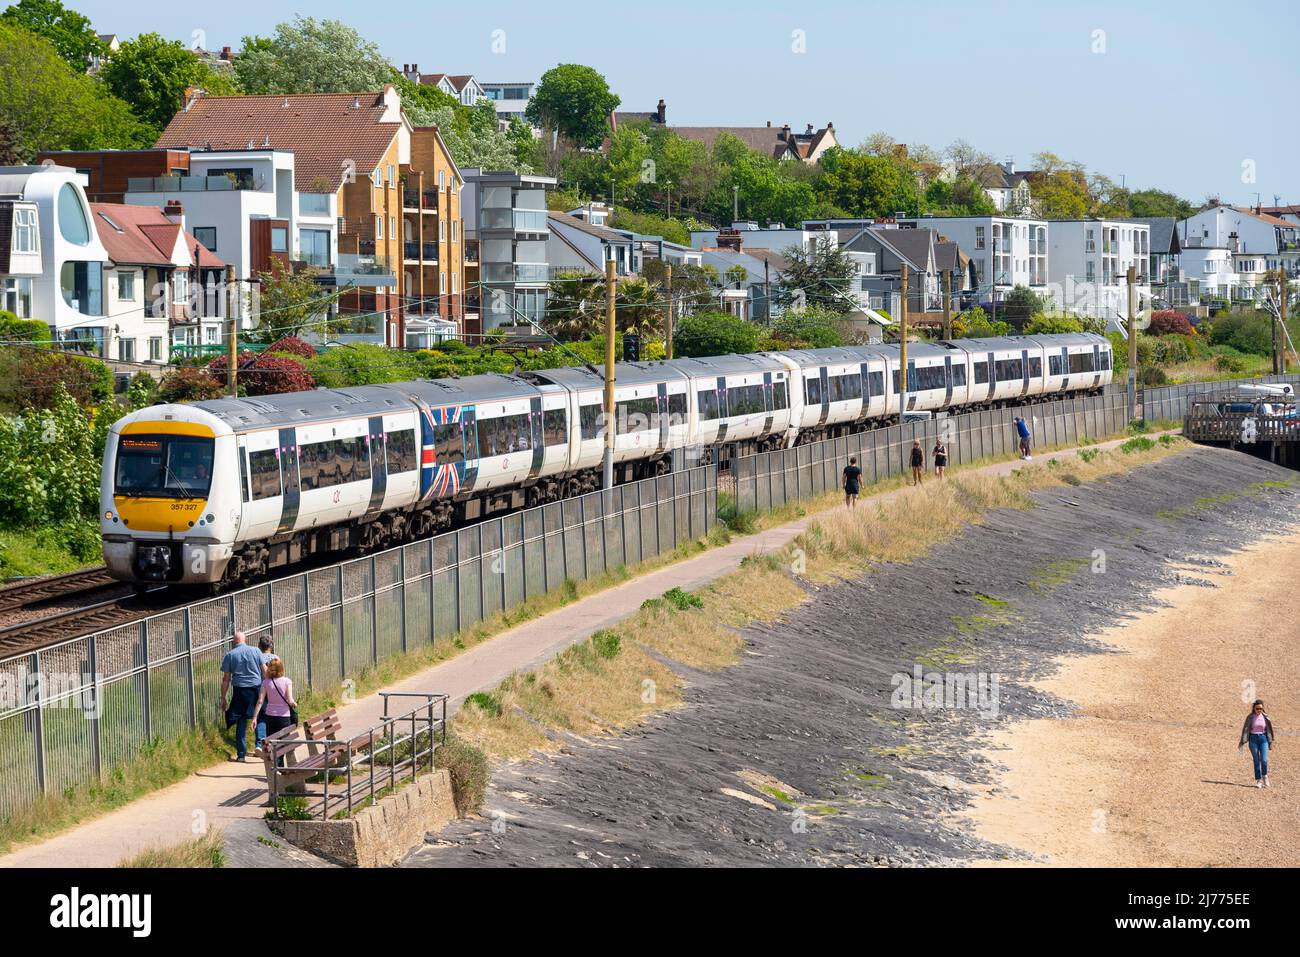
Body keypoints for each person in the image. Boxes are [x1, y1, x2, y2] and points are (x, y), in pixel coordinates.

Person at [219, 631, 267, 763]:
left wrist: (223, 697)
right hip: (256, 688)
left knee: (241, 719)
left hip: (239, 690)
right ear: (245, 640)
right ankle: (259, 745)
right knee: (260, 716)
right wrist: (270, 686)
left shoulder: (230, 655)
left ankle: (241, 754)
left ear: (234, 642)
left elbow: (226, 679)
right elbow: (264, 670)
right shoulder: (256, 651)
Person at [253, 658, 298, 746]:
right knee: (284, 743)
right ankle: (280, 759)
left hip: (270, 716)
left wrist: (254, 717)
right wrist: (294, 704)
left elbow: (260, 701)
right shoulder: (287, 681)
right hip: (284, 717)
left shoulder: (265, 682)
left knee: (272, 743)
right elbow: (290, 700)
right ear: (281, 668)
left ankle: (275, 759)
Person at [1238, 699, 1275, 788]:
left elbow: (1270, 729)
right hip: (1253, 739)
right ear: (1254, 708)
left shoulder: (1266, 717)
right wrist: (1242, 741)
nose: (1259, 710)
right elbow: (1245, 729)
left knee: (1264, 760)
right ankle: (1258, 780)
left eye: (1261, 709)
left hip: (1263, 739)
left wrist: (1271, 740)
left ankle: (1265, 776)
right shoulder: (1250, 717)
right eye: (1257, 708)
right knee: (1256, 760)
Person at [254, 637, 280, 756]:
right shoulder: (275, 658)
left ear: (260, 645)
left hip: (261, 688)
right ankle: (271, 743)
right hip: (274, 688)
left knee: (261, 717)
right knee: (274, 715)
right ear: (271, 646)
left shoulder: (257, 658)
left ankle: (260, 744)